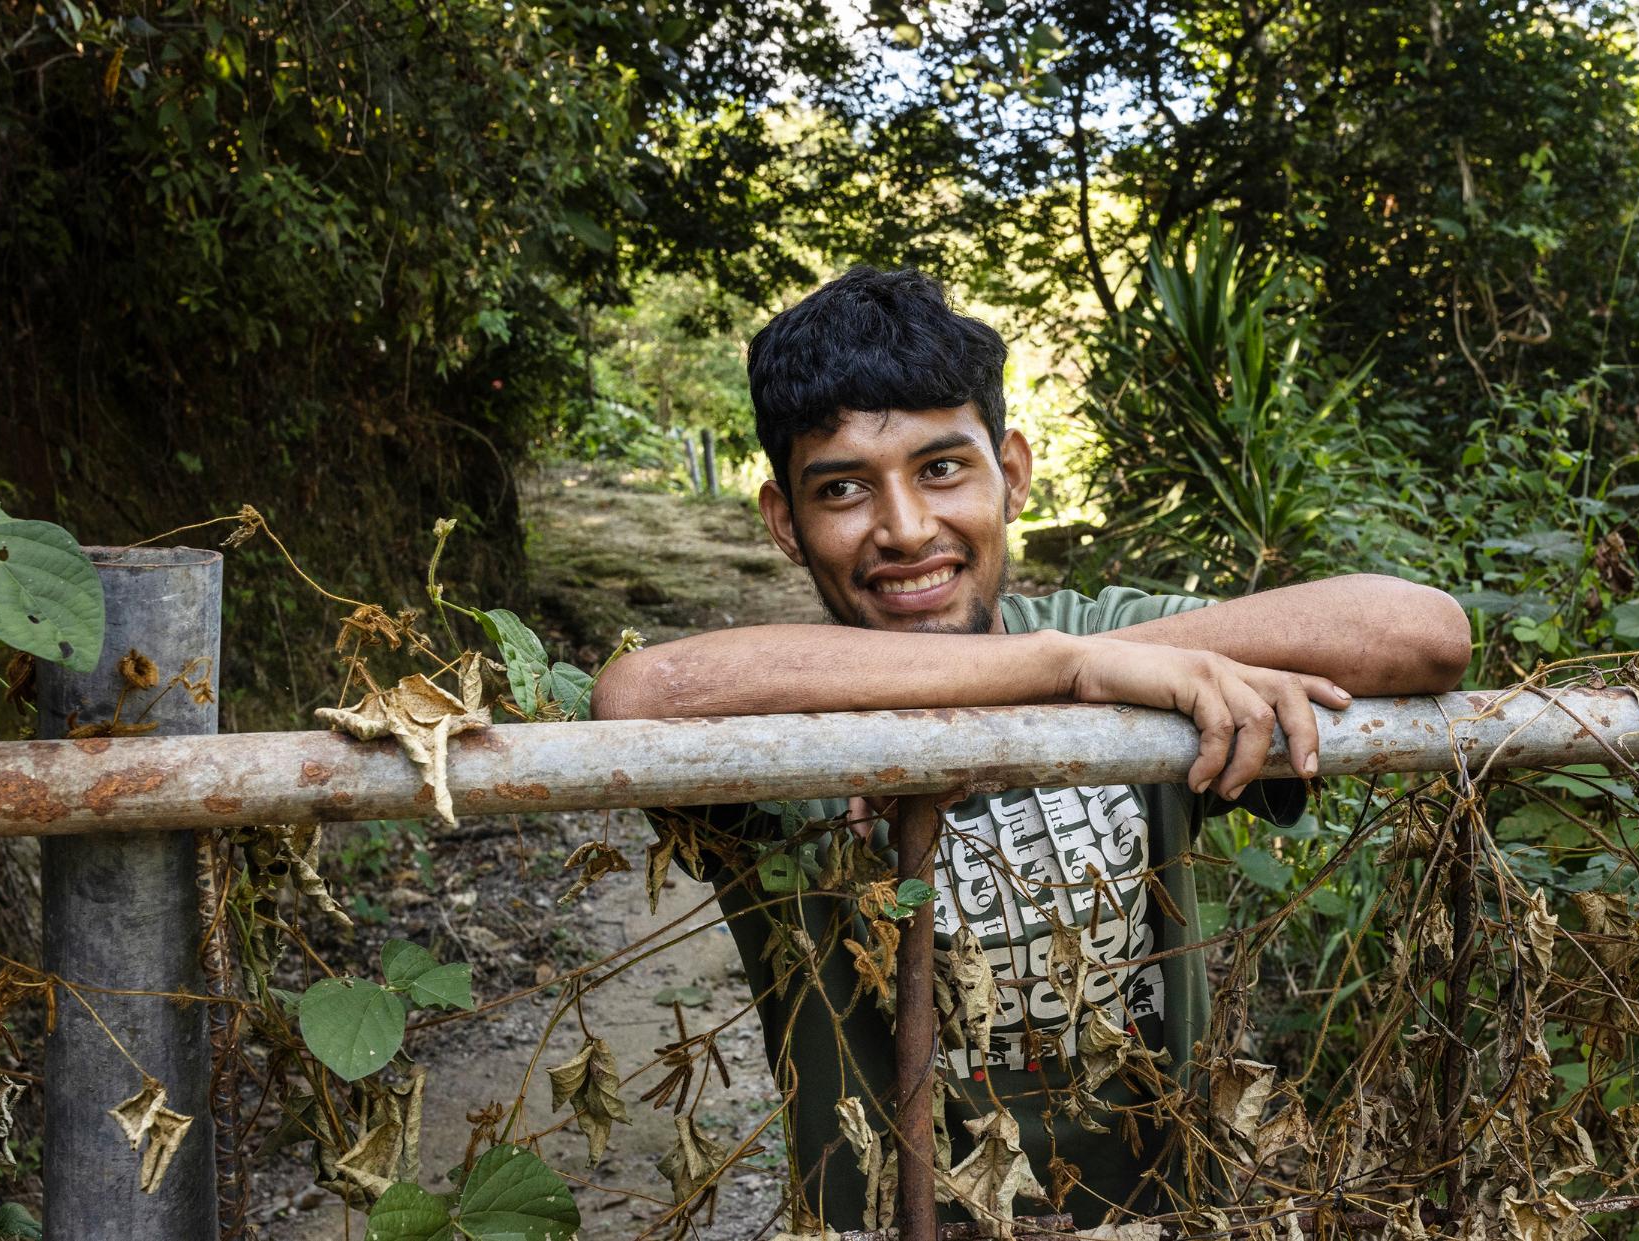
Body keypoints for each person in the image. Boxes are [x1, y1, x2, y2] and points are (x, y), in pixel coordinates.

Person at [590, 267, 1470, 1232]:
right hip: (896, 1222)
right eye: (842, 487)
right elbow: (640, 692)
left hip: (1161, 1214)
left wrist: (1088, 658)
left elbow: (1423, 630)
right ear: (783, 525)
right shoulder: (817, 702)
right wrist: (1054, 672)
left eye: (941, 468)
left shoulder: (1108, 630)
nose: (906, 528)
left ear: (1010, 471)